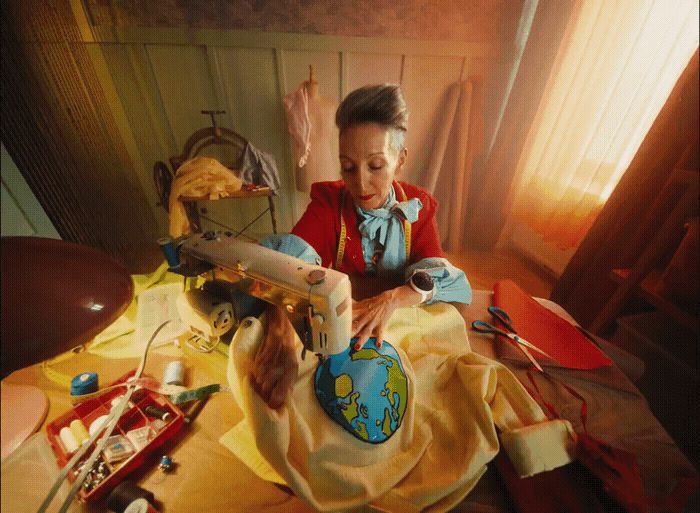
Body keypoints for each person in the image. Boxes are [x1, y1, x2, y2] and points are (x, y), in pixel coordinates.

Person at [251, 84, 472, 409]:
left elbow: (444, 283)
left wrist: (393, 298)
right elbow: (285, 267)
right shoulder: (328, 202)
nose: (360, 183)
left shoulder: (419, 207)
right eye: (348, 167)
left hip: (392, 331)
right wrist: (280, 331)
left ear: (400, 160)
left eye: (376, 166)